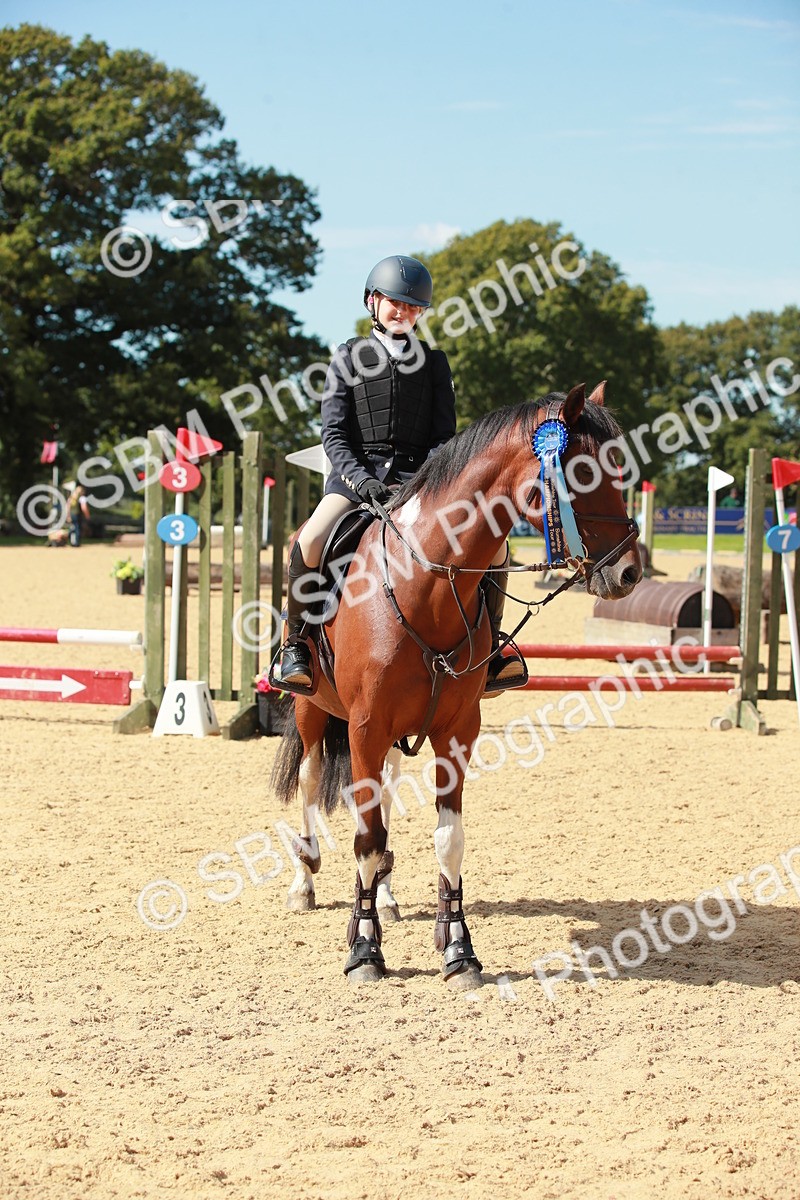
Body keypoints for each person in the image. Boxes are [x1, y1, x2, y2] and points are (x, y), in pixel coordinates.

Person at [278, 254, 525, 696]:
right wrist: (360, 480)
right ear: (373, 301)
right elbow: (334, 434)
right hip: (356, 479)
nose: (403, 313)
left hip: (420, 482)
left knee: (498, 547)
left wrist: (424, 482)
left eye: (413, 308)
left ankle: (494, 650)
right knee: (311, 539)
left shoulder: (433, 363)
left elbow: (443, 438)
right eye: (395, 303)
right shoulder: (348, 356)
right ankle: (297, 645)